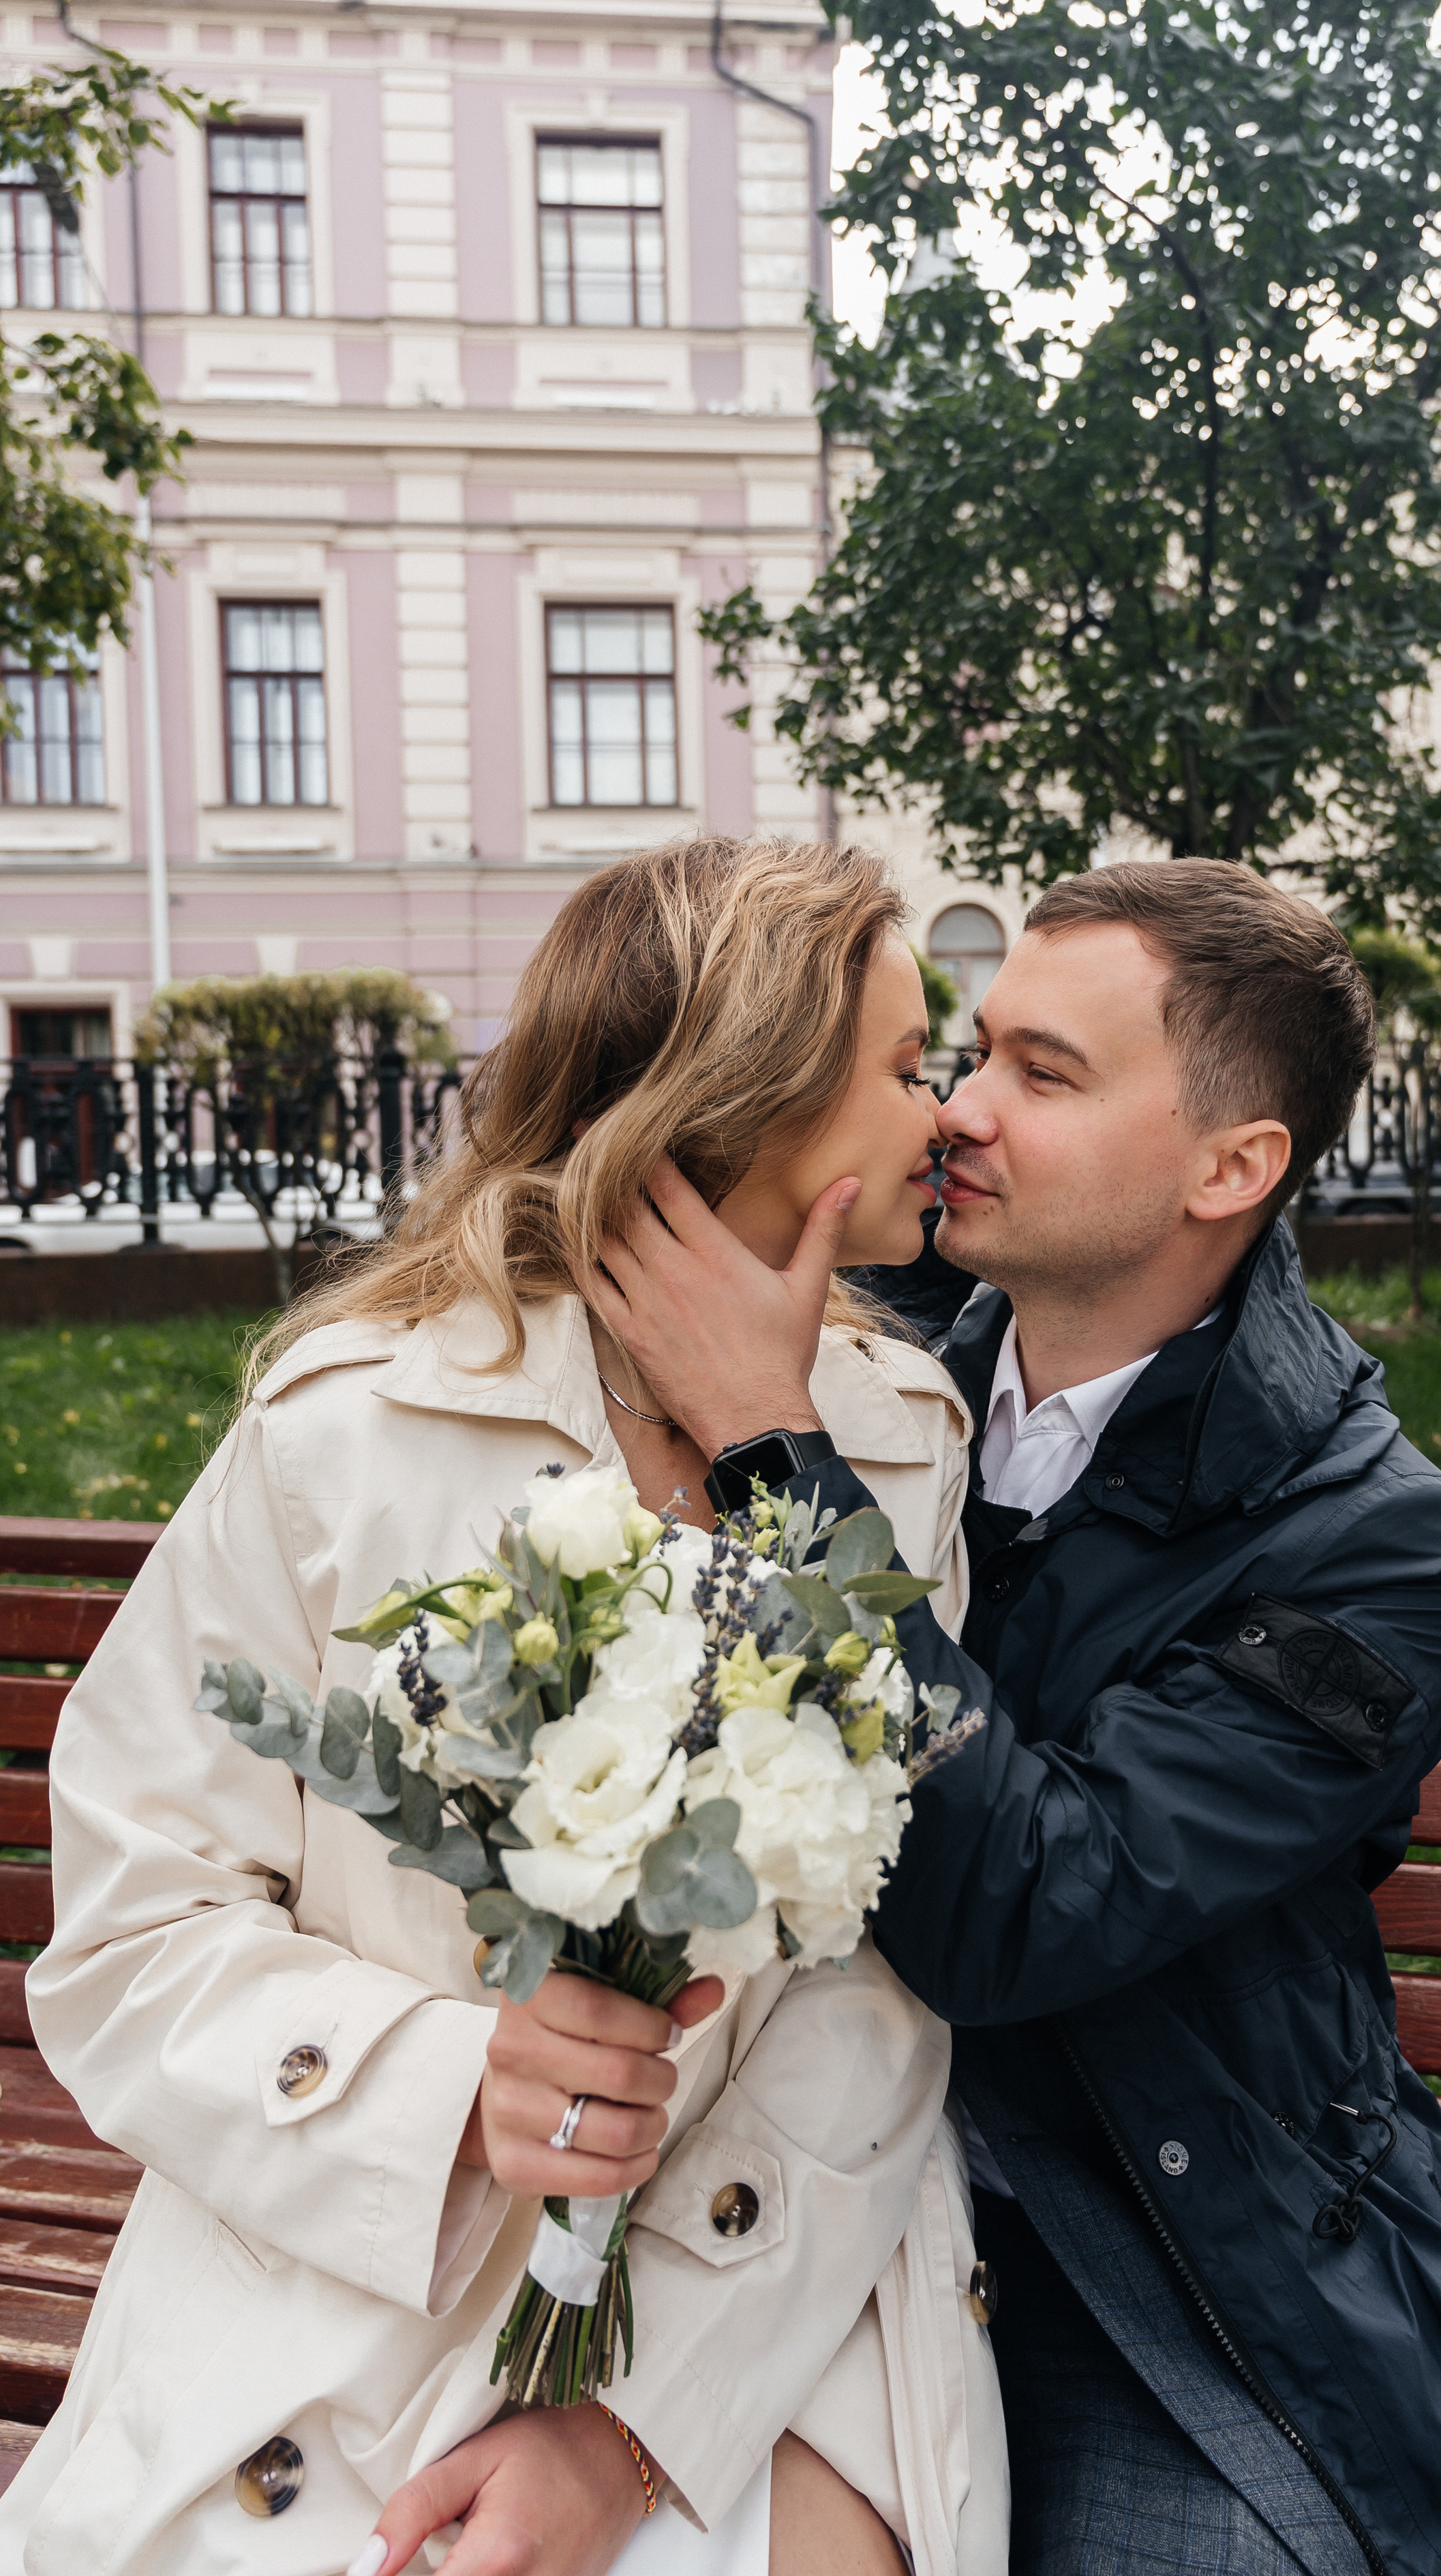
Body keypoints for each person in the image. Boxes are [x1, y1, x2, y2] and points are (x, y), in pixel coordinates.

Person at [567, 858, 1441, 2575]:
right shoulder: (855, 1355)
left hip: (1154, 2244)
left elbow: (1029, 1905)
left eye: (1042, 1074)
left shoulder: (1375, 1545)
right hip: (776, 2176)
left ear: (1232, 1166)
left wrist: (780, 1469)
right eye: (969, 1049)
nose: (957, 1111)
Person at [0, 840, 1007, 2576]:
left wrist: (627, 2430)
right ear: (744, 1100)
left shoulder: (896, 1444)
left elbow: (875, 1983)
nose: (944, 1113)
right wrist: (453, 2083)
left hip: (763, 2259)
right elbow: (130, 1923)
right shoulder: (350, 1425)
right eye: (908, 1067)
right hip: (347, 2264)